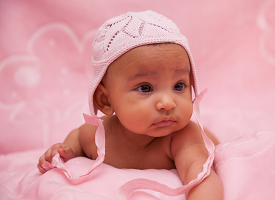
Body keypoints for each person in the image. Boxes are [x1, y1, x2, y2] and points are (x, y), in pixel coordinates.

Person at [37, 10, 223, 199]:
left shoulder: (182, 137)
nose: (167, 103)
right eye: (145, 88)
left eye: (179, 86)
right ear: (105, 100)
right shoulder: (94, 136)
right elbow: (77, 137)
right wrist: (66, 151)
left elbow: (201, 176)